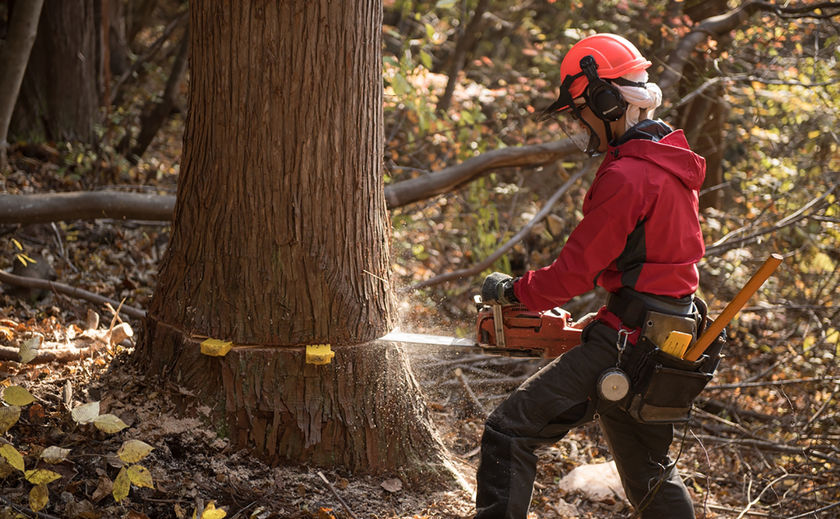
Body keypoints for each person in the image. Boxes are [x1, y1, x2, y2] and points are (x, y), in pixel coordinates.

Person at [475, 33, 707, 519]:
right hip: (667, 339)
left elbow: (574, 272)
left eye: (581, 112)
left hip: (630, 343)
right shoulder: (667, 161)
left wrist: (516, 292)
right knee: (649, 472)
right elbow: (654, 268)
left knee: (509, 431)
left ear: (605, 100)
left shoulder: (629, 176)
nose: (581, 126)